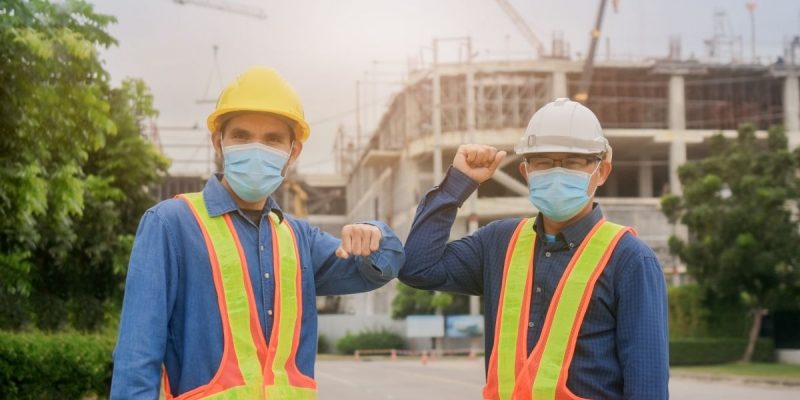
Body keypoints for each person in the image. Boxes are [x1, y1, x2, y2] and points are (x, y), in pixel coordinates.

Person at [111, 66, 405, 399]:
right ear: (218, 142)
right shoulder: (170, 225)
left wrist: (374, 234)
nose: (255, 148)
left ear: (293, 152)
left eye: (272, 139)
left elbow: (384, 268)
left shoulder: (299, 239)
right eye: (241, 135)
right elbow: (136, 361)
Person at [399, 98, 668, 399]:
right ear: (526, 173)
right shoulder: (499, 242)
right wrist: (457, 184)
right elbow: (417, 269)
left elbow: (647, 386)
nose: (556, 172)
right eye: (542, 162)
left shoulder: (630, 259)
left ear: (601, 172)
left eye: (572, 161)